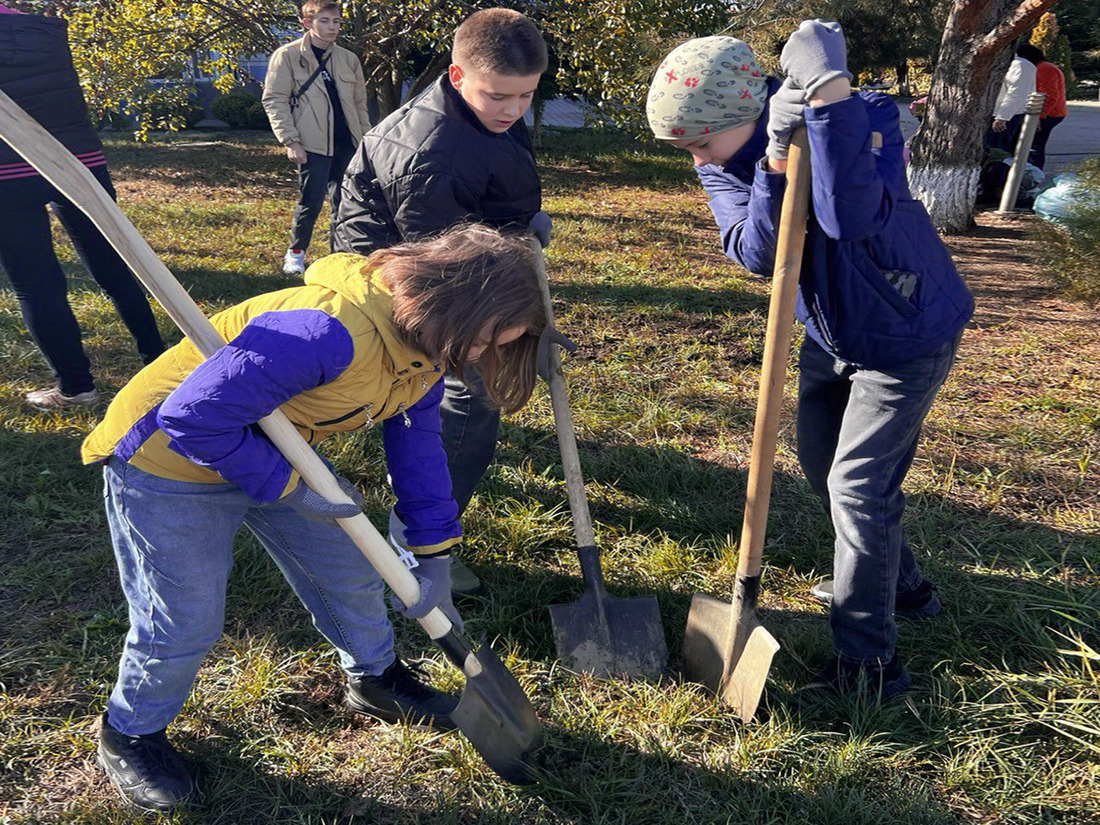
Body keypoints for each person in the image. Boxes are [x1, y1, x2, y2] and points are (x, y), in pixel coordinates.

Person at [80, 225, 547, 812]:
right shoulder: (322, 331)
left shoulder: (427, 345)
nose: (478, 357)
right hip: (170, 465)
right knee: (186, 618)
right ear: (454, 302)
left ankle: (374, 680)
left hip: (272, 448)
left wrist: (434, 556)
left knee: (350, 568)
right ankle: (130, 732)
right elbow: (193, 417)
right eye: (483, 341)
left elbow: (419, 447)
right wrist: (288, 488)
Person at [646, 23, 974, 699]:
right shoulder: (726, 158)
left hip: (904, 329)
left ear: (739, 112)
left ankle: (869, 668)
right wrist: (769, 161)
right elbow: (755, 250)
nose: (699, 160)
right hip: (832, 335)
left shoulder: (868, 117)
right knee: (826, 465)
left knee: (858, 487)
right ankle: (906, 588)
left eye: (703, 143)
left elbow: (848, 214)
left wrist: (827, 103)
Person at [333, 8, 548, 595]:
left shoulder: (489, 112)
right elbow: (449, 272)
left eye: (525, 96)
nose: (512, 109)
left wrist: (519, 225)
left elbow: (486, 196)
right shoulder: (433, 153)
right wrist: (510, 327)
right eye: (499, 96)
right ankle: (417, 542)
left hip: (455, 251)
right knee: (465, 393)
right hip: (399, 276)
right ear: (456, 77)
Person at [0, 6, 165, 408]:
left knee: (36, 285)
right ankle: (161, 366)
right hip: (80, 159)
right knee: (116, 268)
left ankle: (76, 387)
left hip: (7, 172)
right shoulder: (44, 28)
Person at [262, 0, 370, 275]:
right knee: (310, 202)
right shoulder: (287, 56)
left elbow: (359, 105)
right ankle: (295, 253)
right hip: (312, 144)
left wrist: (366, 142)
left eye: (336, 22)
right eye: (324, 21)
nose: (332, 27)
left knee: (345, 204)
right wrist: (290, 140)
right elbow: (275, 99)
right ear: (307, 23)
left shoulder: (348, 59)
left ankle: (339, 255)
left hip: (348, 143)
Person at [1017, 43, 1067, 171]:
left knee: (1033, 146)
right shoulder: (1042, 67)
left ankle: (1033, 177)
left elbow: (1049, 96)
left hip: (1049, 114)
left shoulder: (1044, 69)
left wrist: (1038, 116)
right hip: (1048, 113)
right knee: (1032, 145)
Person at [989, 51, 1037, 154]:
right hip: (996, 114)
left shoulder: (1019, 66)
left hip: (1006, 116)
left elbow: (1016, 94)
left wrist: (1002, 117)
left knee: (997, 152)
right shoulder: (1000, 63)